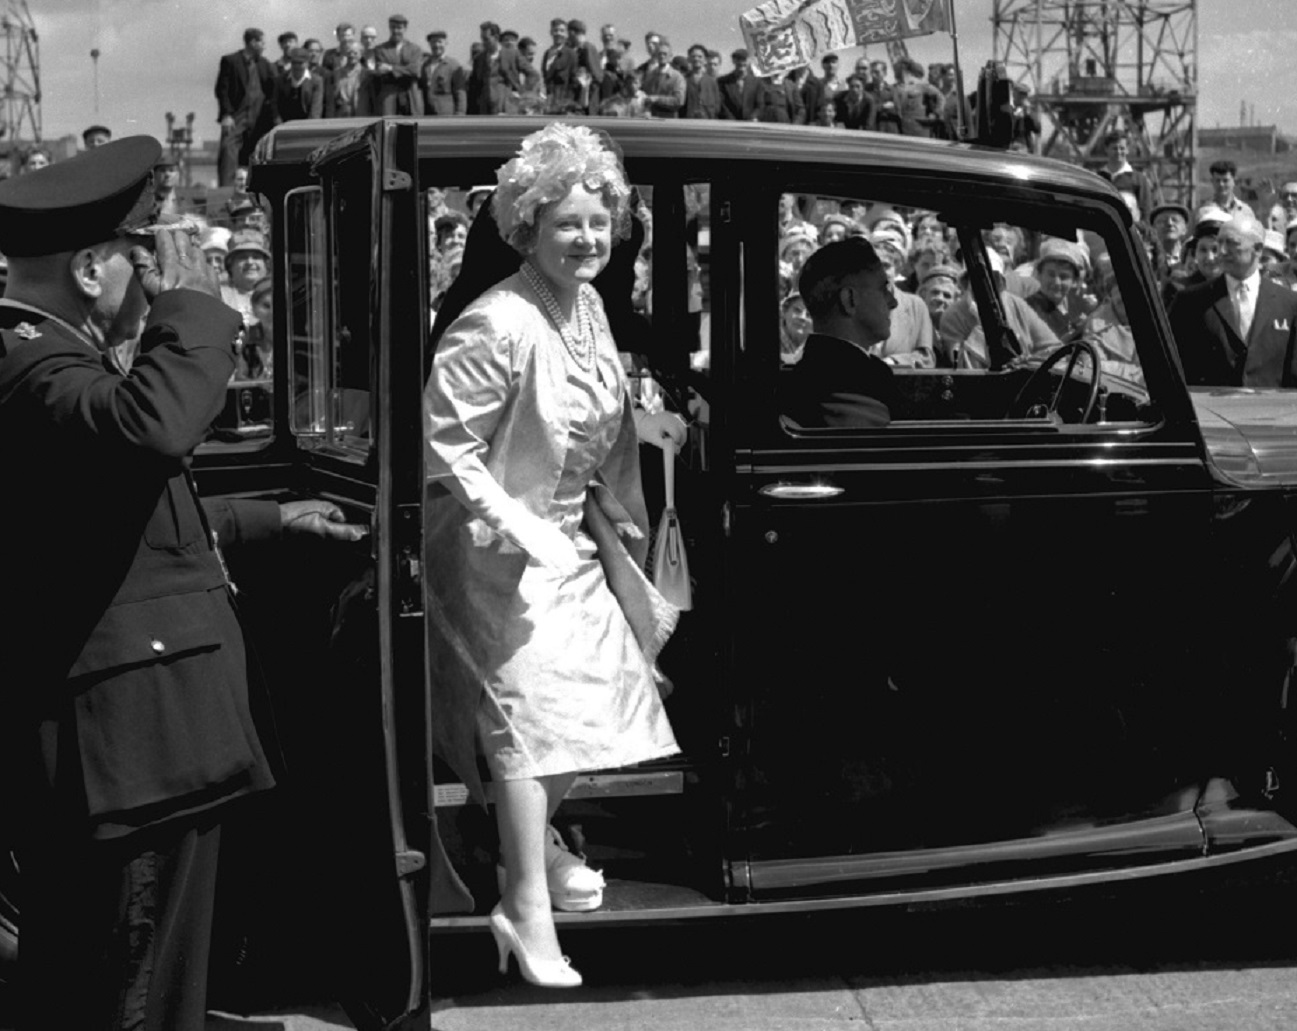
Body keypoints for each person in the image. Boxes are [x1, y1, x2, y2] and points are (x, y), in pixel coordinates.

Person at [0, 135, 364, 1031]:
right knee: (134, 993)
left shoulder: (48, 360)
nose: (153, 277)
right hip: (128, 753)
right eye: (141, 256)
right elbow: (149, 431)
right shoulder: (29, 366)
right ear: (92, 269)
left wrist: (273, 520)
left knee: (127, 982)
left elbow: (111, 522)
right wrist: (199, 308)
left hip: (139, 744)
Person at [422, 124, 683, 989]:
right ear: (527, 226)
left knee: (605, 704)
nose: (587, 239)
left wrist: (620, 503)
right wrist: (518, 524)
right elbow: (444, 450)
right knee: (535, 724)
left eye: (598, 222)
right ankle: (525, 904)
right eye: (567, 223)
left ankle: (527, 846)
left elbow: (594, 422)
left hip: (566, 537)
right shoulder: (492, 322)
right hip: (485, 545)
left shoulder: (590, 306)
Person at [780, 237, 902, 428]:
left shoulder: (805, 376)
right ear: (849, 300)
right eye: (883, 289)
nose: (893, 302)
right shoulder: (864, 382)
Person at [1169, 212, 1297, 387]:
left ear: (1258, 249)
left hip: (1271, 409)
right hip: (1209, 409)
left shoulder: (1288, 304)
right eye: (1220, 242)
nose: (1221, 251)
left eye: (1231, 244)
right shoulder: (1190, 301)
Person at [214, 27, 278, 187]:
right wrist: (226, 115)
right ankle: (225, 193)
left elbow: (273, 90)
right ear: (253, 42)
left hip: (258, 118)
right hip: (237, 116)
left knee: (257, 154)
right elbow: (222, 90)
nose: (264, 46)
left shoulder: (265, 65)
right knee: (228, 150)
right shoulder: (230, 61)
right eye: (262, 42)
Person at [370, 14, 424, 116]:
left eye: (399, 28)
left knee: (411, 126)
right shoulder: (381, 49)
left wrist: (391, 68)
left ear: (405, 29)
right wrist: (405, 70)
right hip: (389, 94)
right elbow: (381, 70)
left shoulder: (415, 49)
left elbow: (415, 70)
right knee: (390, 127)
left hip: (410, 94)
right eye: (393, 27)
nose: (396, 31)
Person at [421, 31, 467, 116]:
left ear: (446, 43)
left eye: (439, 42)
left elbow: (460, 92)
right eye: (433, 42)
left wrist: (460, 114)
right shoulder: (424, 65)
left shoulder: (453, 65)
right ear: (429, 44)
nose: (436, 45)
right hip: (428, 114)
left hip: (447, 114)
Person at [275, 47, 324, 122]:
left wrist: (309, 127)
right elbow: (275, 104)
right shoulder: (281, 79)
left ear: (307, 63)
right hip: (285, 124)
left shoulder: (316, 81)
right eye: (294, 63)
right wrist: (278, 123)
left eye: (300, 63)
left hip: (307, 125)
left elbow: (316, 109)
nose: (297, 66)